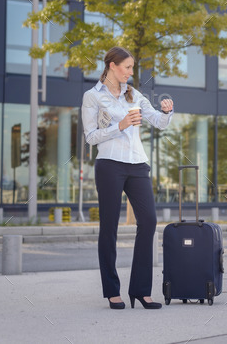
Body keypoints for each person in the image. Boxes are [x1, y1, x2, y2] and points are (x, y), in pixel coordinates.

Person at [81, 47, 173, 310]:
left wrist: (167, 112)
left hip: (137, 164)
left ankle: (141, 290)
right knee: (109, 226)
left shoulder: (134, 94)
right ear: (112, 65)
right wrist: (118, 127)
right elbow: (90, 137)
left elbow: (158, 121)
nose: (131, 73)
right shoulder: (92, 97)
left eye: (132, 68)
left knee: (149, 221)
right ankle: (112, 290)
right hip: (109, 164)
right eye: (127, 67)